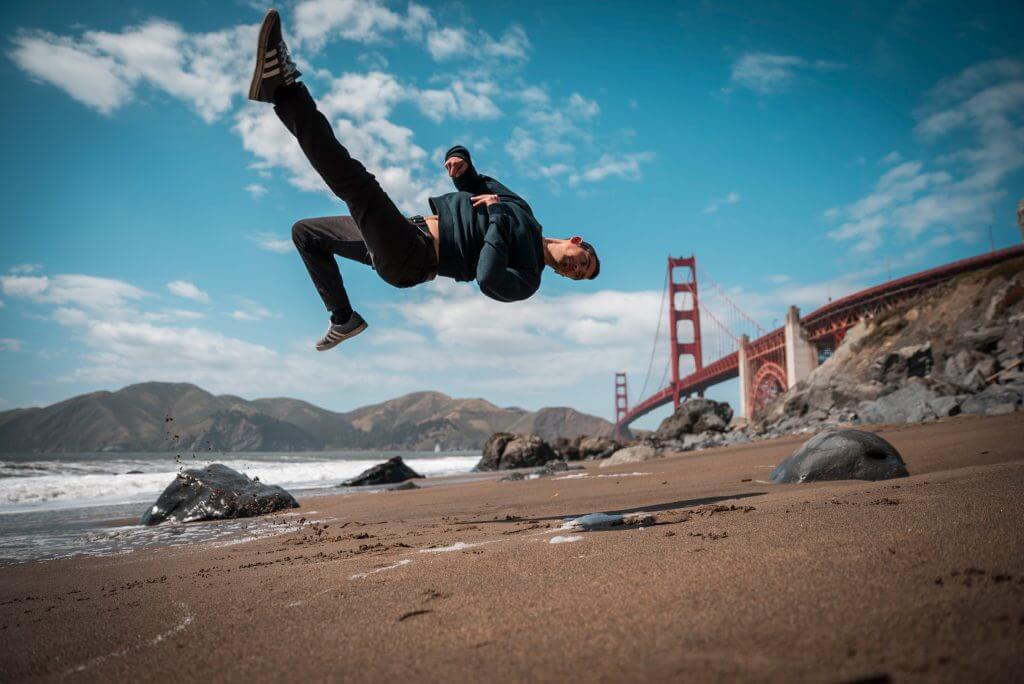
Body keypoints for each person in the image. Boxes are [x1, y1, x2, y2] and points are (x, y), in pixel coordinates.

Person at [248, 9, 600, 351]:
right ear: (576, 240)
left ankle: (285, 89)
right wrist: (460, 158)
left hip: (414, 258)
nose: (574, 268)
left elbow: (488, 278)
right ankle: (343, 317)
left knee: (358, 186)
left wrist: (496, 220)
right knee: (306, 234)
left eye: (577, 276)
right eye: (582, 261)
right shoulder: (524, 211)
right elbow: (478, 185)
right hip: (409, 228)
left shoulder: (528, 278)